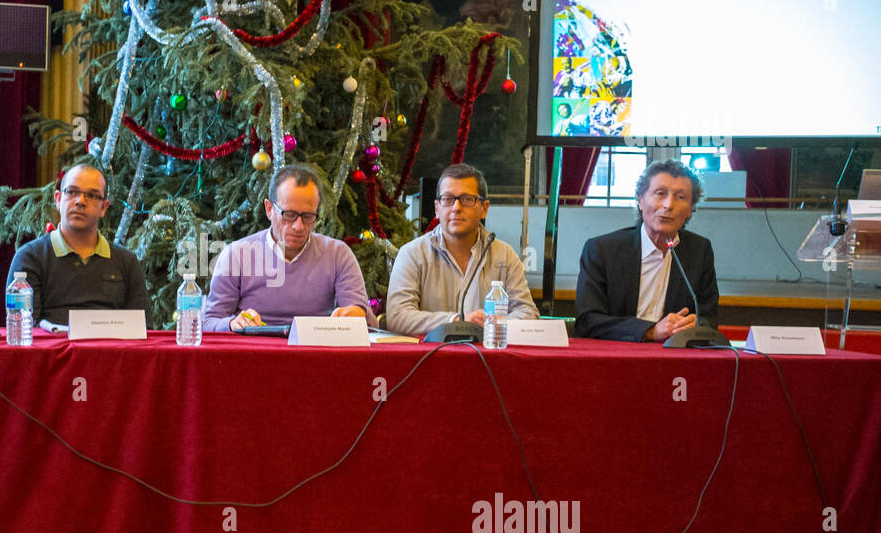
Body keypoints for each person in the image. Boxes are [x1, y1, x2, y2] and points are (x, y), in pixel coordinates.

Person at [202, 164, 375, 331]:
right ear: (269, 209)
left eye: (308, 216)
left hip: (316, 353)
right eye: (289, 215)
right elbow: (209, 322)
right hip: (254, 353)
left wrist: (358, 315)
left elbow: (370, 325)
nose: (298, 226)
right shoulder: (237, 254)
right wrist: (232, 324)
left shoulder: (337, 254)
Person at [575, 159, 718, 342]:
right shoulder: (602, 250)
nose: (669, 205)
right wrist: (649, 331)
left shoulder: (699, 251)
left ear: (690, 209)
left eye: (680, 197)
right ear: (640, 200)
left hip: (674, 359)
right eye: (660, 194)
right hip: (616, 356)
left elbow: (710, 318)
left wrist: (695, 324)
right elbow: (587, 320)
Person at [386, 163, 538, 335]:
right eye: (448, 199)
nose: (456, 208)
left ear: (484, 208)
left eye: (467, 199)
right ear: (437, 208)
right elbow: (397, 317)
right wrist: (457, 321)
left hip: (489, 358)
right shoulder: (412, 254)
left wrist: (493, 324)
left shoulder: (505, 255)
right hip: (431, 359)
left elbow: (528, 313)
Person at [7, 164, 148, 325]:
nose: (80, 201)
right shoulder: (30, 257)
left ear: (104, 207)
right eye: (72, 192)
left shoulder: (126, 262)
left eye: (92, 195)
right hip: (51, 349)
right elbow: (24, 330)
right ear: (58, 199)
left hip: (110, 349)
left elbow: (141, 329)